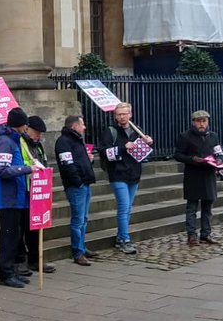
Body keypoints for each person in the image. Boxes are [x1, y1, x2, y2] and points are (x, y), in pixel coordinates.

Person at [0, 107, 41, 288]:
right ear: (20, 125)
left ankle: (11, 271)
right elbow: (2, 170)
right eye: (25, 124)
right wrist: (27, 169)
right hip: (7, 198)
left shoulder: (13, 139)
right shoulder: (5, 142)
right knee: (9, 237)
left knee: (14, 237)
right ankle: (5, 273)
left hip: (16, 197)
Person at [99, 101, 152, 254]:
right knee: (123, 207)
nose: (122, 117)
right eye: (119, 114)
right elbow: (103, 152)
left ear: (130, 114)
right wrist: (123, 148)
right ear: (115, 116)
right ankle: (125, 239)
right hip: (117, 174)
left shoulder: (137, 130)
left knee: (128, 208)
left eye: (124, 114)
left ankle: (120, 236)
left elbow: (144, 153)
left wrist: (147, 142)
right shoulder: (111, 131)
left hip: (134, 173)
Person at [173, 110, 223, 247]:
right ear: (193, 122)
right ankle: (191, 235)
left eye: (204, 121)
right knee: (192, 207)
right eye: (198, 121)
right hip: (193, 175)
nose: (201, 124)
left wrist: (218, 160)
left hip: (208, 174)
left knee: (208, 207)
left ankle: (205, 234)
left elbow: (218, 152)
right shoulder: (185, 136)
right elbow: (178, 155)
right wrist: (192, 159)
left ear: (207, 122)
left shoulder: (213, 136)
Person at [55, 115, 100, 266]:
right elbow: (67, 165)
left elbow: (79, 161)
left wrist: (89, 161)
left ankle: (82, 247)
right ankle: (78, 251)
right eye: (82, 124)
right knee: (78, 219)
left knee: (83, 218)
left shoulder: (76, 139)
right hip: (76, 186)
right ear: (74, 126)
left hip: (84, 183)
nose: (84, 127)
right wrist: (78, 182)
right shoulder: (64, 141)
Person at [16, 115, 56, 276]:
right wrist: (30, 168)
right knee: (22, 228)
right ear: (27, 128)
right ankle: (22, 261)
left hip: (37, 191)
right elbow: (19, 163)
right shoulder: (20, 142)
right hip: (24, 189)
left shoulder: (37, 145)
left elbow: (42, 162)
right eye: (36, 132)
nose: (38, 136)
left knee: (35, 228)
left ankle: (35, 259)